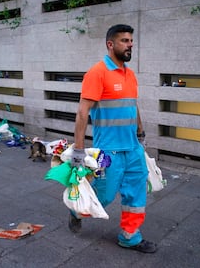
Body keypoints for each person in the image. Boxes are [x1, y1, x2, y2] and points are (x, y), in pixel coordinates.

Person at [70, 24, 156, 253]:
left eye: (131, 40)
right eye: (125, 41)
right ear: (111, 44)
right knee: (104, 195)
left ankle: (130, 236)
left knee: (136, 193)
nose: (130, 44)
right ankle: (77, 209)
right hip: (109, 151)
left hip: (133, 148)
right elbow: (82, 113)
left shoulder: (130, 74)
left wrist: (140, 132)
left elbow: (132, 105)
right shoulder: (97, 73)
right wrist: (78, 154)